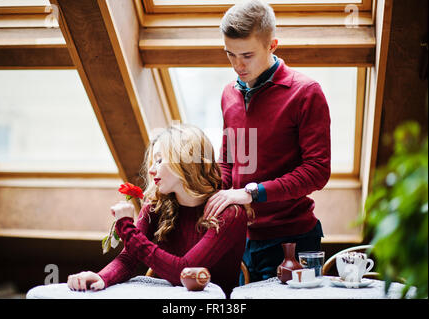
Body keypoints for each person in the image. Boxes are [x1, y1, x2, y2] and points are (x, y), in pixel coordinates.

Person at [203, 0, 331, 284]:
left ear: (273, 45)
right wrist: (211, 195)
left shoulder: (306, 93)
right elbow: (229, 160)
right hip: (238, 237)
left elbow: (317, 171)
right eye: (230, 54)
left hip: (293, 240)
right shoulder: (228, 94)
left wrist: (251, 193)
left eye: (247, 55)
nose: (237, 65)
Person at [67, 124, 251, 297]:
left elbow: (184, 272)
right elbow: (128, 259)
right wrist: (102, 277)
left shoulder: (230, 213)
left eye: (160, 161)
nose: (152, 170)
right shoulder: (157, 205)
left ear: (186, 163)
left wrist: (128, 230)